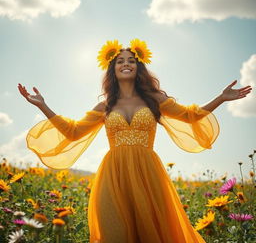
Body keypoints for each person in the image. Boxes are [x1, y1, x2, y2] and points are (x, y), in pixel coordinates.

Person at [18, 39, 252, 243]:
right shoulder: (105, 106)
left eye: (131, 60)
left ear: (138, 66)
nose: (126, 63)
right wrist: (43, 105)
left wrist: (221, 98)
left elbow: (191, 116)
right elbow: (73, 131)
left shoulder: (155, 99)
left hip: (148, 174)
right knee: (115, 231)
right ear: (113, 69)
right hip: (114, 175)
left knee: (154, 230)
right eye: (120, 61)